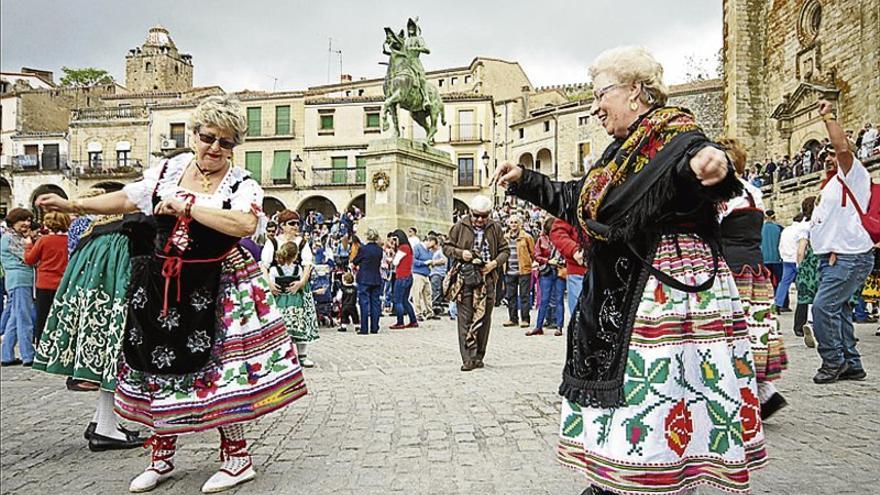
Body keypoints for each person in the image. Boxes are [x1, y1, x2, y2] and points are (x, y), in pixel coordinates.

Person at [491, 46, 766, 495]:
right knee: (634, 401)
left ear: (636, 91)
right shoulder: (617, 158)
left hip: (659, 292)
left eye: (602, 94)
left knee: (657, 400)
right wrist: (526, 180)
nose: (595, 106)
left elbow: (691, 163)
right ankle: (619, 482)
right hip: (619, 294)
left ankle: (650, 483)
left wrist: (705, 167)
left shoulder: (678, 136)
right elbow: (574, 200)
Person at [36, 95, 307, 493]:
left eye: (226, 142)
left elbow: (244, 223)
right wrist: (74, 203)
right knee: (156, 364)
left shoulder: (241, 182)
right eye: (208, 137)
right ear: (195, 134)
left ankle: (237, 457)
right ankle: (160, 455)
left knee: (219, 372)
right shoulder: (169, 168)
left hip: (221, 284)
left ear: (235, 146)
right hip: (164, 282)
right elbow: (129, 197)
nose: (215, 147)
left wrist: (188, 206)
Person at [34, 211, 145, 451]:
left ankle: (102, 422)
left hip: (93, 281)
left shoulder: (99, 229)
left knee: (109, 349)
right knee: (115, 350)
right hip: (116, 275)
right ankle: (105, 429)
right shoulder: (128, 230)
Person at [717, 137, 788, 420]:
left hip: (730, 269)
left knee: (728, 330)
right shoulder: (752, 191)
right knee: (752, 329)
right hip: (754, 269)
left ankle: (745, 394)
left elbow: (711, 228)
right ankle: (764, 392)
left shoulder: (725, 194)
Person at [809, 99, 875, 384]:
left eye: (832, 154)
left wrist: (828, 118)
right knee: (841, 308)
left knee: (823, 308)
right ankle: (852, 363)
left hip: (849, 256)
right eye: (825, 154)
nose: (829, 157)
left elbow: (843, 148)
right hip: (835, 256)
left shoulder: (853, 173)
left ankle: (833, 361)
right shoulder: (832, 183)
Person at [444, 195, 509, 372]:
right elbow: (447, 247)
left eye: (484, 216)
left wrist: (494, 264)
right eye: (476, 215)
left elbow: (505, 251)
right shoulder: (460, 226)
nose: (480, 220)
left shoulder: (495, 228)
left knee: (484, 318)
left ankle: (479, 355)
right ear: (470, 212)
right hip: (465, 278)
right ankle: (468, 358)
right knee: (464, 319)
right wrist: (460, 253)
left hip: (487, 278)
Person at [262, 209, 319, 368]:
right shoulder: (272, 242)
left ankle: (302, 355)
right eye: (292, 223)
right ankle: (278, 354)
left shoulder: (302, 242)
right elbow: (264, 266)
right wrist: (269, 284)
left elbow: (307, 265)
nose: (296, 226)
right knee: (278, 320)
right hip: (277, 285)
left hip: (297, 284)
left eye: (297, 223)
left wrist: (301, 283)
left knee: (301, 319)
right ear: (282, 225)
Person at [23, 211, 70, 345]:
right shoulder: (69, 241)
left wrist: (28, 245)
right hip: (63, 282)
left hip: (44, 282)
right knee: (61, 315)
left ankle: (42, 344)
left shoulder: (44, 240)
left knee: (43, 316)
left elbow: (30, 259)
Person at [0, 208, 36, 366]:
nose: (27, 224)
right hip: (20, 279)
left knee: (15, 318)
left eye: (29, 220)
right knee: (24, 318)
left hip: (18, 280)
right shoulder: (10, 238)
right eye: (23, 220)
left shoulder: (14, 236)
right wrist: (30, 243)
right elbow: (29, 258)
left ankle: (6, 354)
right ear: (14, 221)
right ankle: (28, 355)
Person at [531, 217, 565, 336]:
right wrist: (548, 261)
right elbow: (536, 255)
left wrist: (560, 261)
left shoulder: (562, 239)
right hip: (546, 271)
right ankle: (538, 326)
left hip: (559, 271)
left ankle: (559, 326)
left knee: (559, 300)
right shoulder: (541, 240)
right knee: (544, 300)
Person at [549, 218, 587, 319]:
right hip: (579, 270)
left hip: (609, 270)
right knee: (579, 319)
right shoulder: (571, 205)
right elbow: (557, 231)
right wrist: (574, 250)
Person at [502, 214, 534, 329]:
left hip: (523, 270)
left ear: (520, 224)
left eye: (516, 222)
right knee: (511, 296)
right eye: (511, 222)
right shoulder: (505, 238)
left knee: (524, 295)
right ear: (508, 224)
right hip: (509, 270)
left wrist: (531, 264)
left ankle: (525, 319)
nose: (513, 225)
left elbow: (532, 253)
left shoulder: (526, 237)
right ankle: (512, 318)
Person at [794, 197, 818, 347]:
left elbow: (801, 250)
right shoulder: (817, 224)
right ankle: (814, 323)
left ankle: (800, 326)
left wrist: (800, 265)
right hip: (822, 260)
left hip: (809, 263)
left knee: (805, 296)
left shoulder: (804, 226)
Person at [351, 229, 383, 335]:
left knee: (364, 303)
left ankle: (364, 328)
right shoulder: (379, 249)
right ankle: (375, 327)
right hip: (376, 277)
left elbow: (355, 261)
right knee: (375, 303)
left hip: (364, 278)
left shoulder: (363, 249)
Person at [775, 213, 808, 311]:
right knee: (801, 283)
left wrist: (782, 256)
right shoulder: (801, 230)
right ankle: (802, 304)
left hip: (787, 259)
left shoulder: (786, 230)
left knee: (784, 283)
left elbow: (780, 245)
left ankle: (778, 302)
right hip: (797, 259)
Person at [389, 229, 418, 329]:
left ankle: (400, 322)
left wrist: (392, 256)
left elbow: (395, 262)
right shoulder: (408, 247)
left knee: (397, 300)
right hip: (408, 276)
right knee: (405, 300)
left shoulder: (402, 248)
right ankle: (413, 320)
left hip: (401, 277)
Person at [761, 210, 785, 306]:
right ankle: (782, 303)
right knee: (780, 282)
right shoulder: (779, 228)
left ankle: (768, 302)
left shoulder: (759, 229)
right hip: (777, 259)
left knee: (766, 283)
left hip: (764, 259)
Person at [412, 235, 434, 320]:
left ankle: (429, 312)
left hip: (426, 274)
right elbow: (413, 260)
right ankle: (418, 313)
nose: (433, 247)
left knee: (428, 294)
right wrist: (424, 263)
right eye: (432, 244)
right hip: (418, 274)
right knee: (417, 294)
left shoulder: (429, 251)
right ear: (428, 240)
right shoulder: (417, 248)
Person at [426, 234, 448, 317]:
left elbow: (444, 260)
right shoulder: (432, 251)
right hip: (434, 273)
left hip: (438, 273)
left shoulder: (440, 251)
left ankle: (436, 307)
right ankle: (436, 306)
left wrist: (433, 262)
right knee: (435, 290)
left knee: (436, 290)